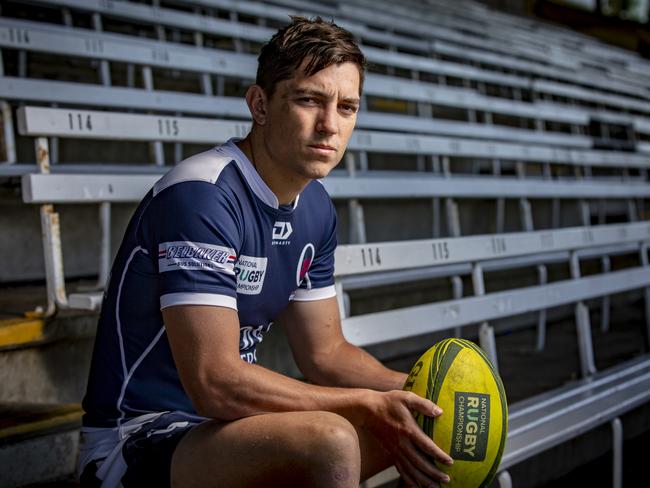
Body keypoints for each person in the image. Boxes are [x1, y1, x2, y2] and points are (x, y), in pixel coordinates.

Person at [78, 16, 453, 488]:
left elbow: (326, 353)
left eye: (347, 107)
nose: (329, 125)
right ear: (260, 104)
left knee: (430, 428)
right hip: (138, 439)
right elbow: (215, 381)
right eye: (309, 100)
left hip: (228, 432)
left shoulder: (315, 207)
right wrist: (363, 403)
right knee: (332, 439)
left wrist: (426, 394)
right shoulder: (202, 196)